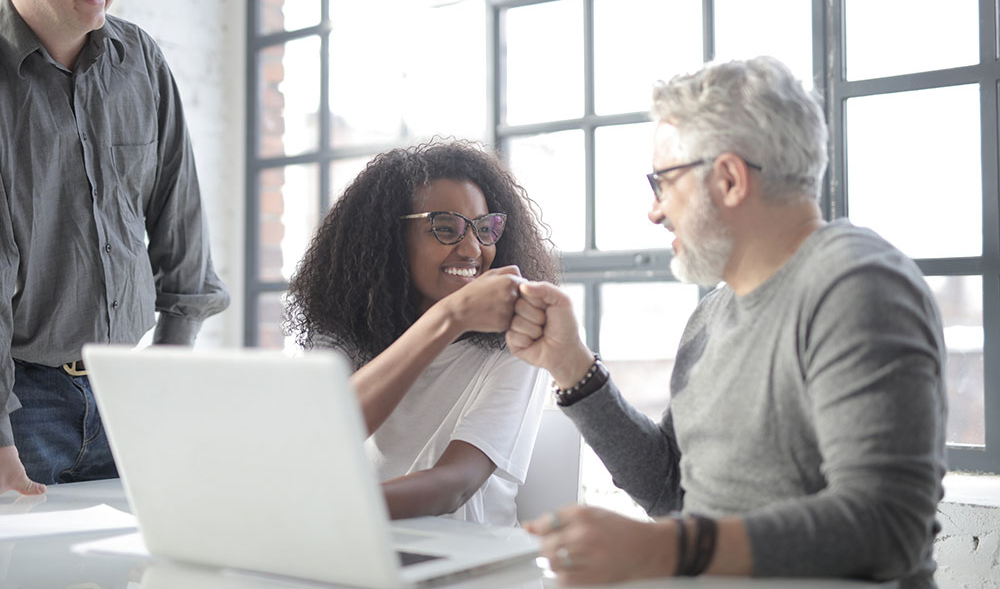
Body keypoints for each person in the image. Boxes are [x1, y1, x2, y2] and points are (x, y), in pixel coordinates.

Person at [506, 57, 947, 587]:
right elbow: (672, 491)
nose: (654, 211)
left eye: (662, 184)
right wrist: (568, 362)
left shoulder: (856, 286)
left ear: (731, 179)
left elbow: (887, 525)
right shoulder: (710, 315)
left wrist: (664, 549)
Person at [0, 0, 229, 494]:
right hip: (19, 408)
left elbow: (182, 225)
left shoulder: (141, 62)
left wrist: (168, 373)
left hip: (131, 395)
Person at [284, 141, 559, 526]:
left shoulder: (518, 341)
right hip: (359, 545)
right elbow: (324, 433)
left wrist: (332, 509)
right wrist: (449, 318)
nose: (473, 249)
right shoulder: (342, 330)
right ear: (388, 237)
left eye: (485, 229)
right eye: (446, 228)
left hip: (468, 562)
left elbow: (454, 486)